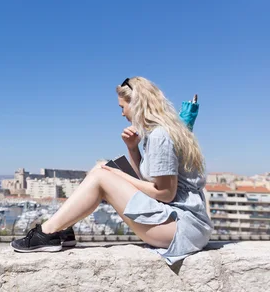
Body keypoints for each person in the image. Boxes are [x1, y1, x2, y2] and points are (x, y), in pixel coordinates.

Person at [11, 77, 213, 264]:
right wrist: (132, 148)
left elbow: (165, 194)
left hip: (182, 228)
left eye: (122, 107)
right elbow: (150, 181)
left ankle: (46, 233)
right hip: (178, 223)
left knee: (101, 174)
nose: (122, 113)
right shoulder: (157, 134)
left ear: (136, 104)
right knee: (101, 169)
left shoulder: (160, 136)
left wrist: (117, 174)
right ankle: (61, 230)